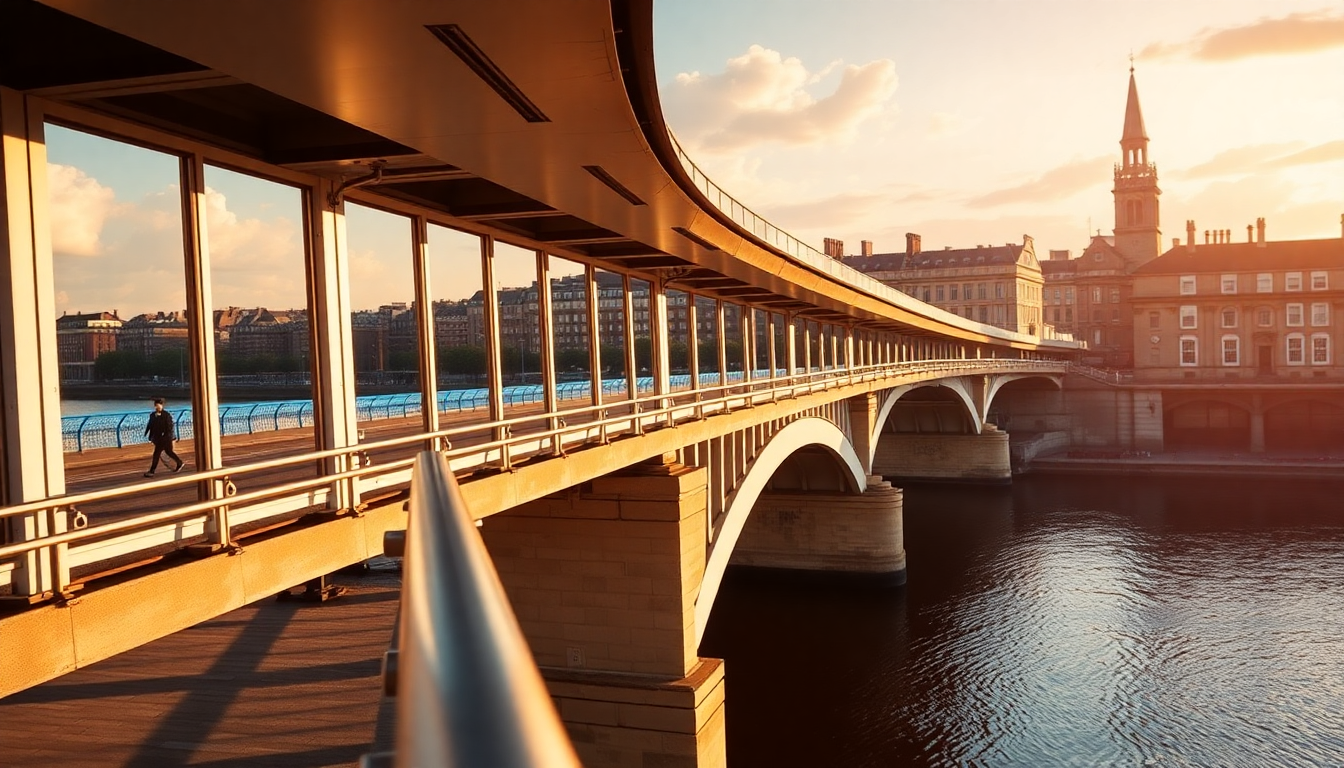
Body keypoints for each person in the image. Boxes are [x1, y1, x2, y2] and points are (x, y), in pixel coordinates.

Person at [144, 398, 184, 477]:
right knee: (169, 452)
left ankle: (152, 471)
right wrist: (149, 435)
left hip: (165, 438)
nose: (157, 406)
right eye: (156, 405)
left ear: (162, 405)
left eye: (158, 405)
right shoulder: (152, 415)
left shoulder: (166, 415)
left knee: (156, 454)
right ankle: (179, 462)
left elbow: (170, 426)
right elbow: (150, 425)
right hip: (158, 438)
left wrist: (167, 436)